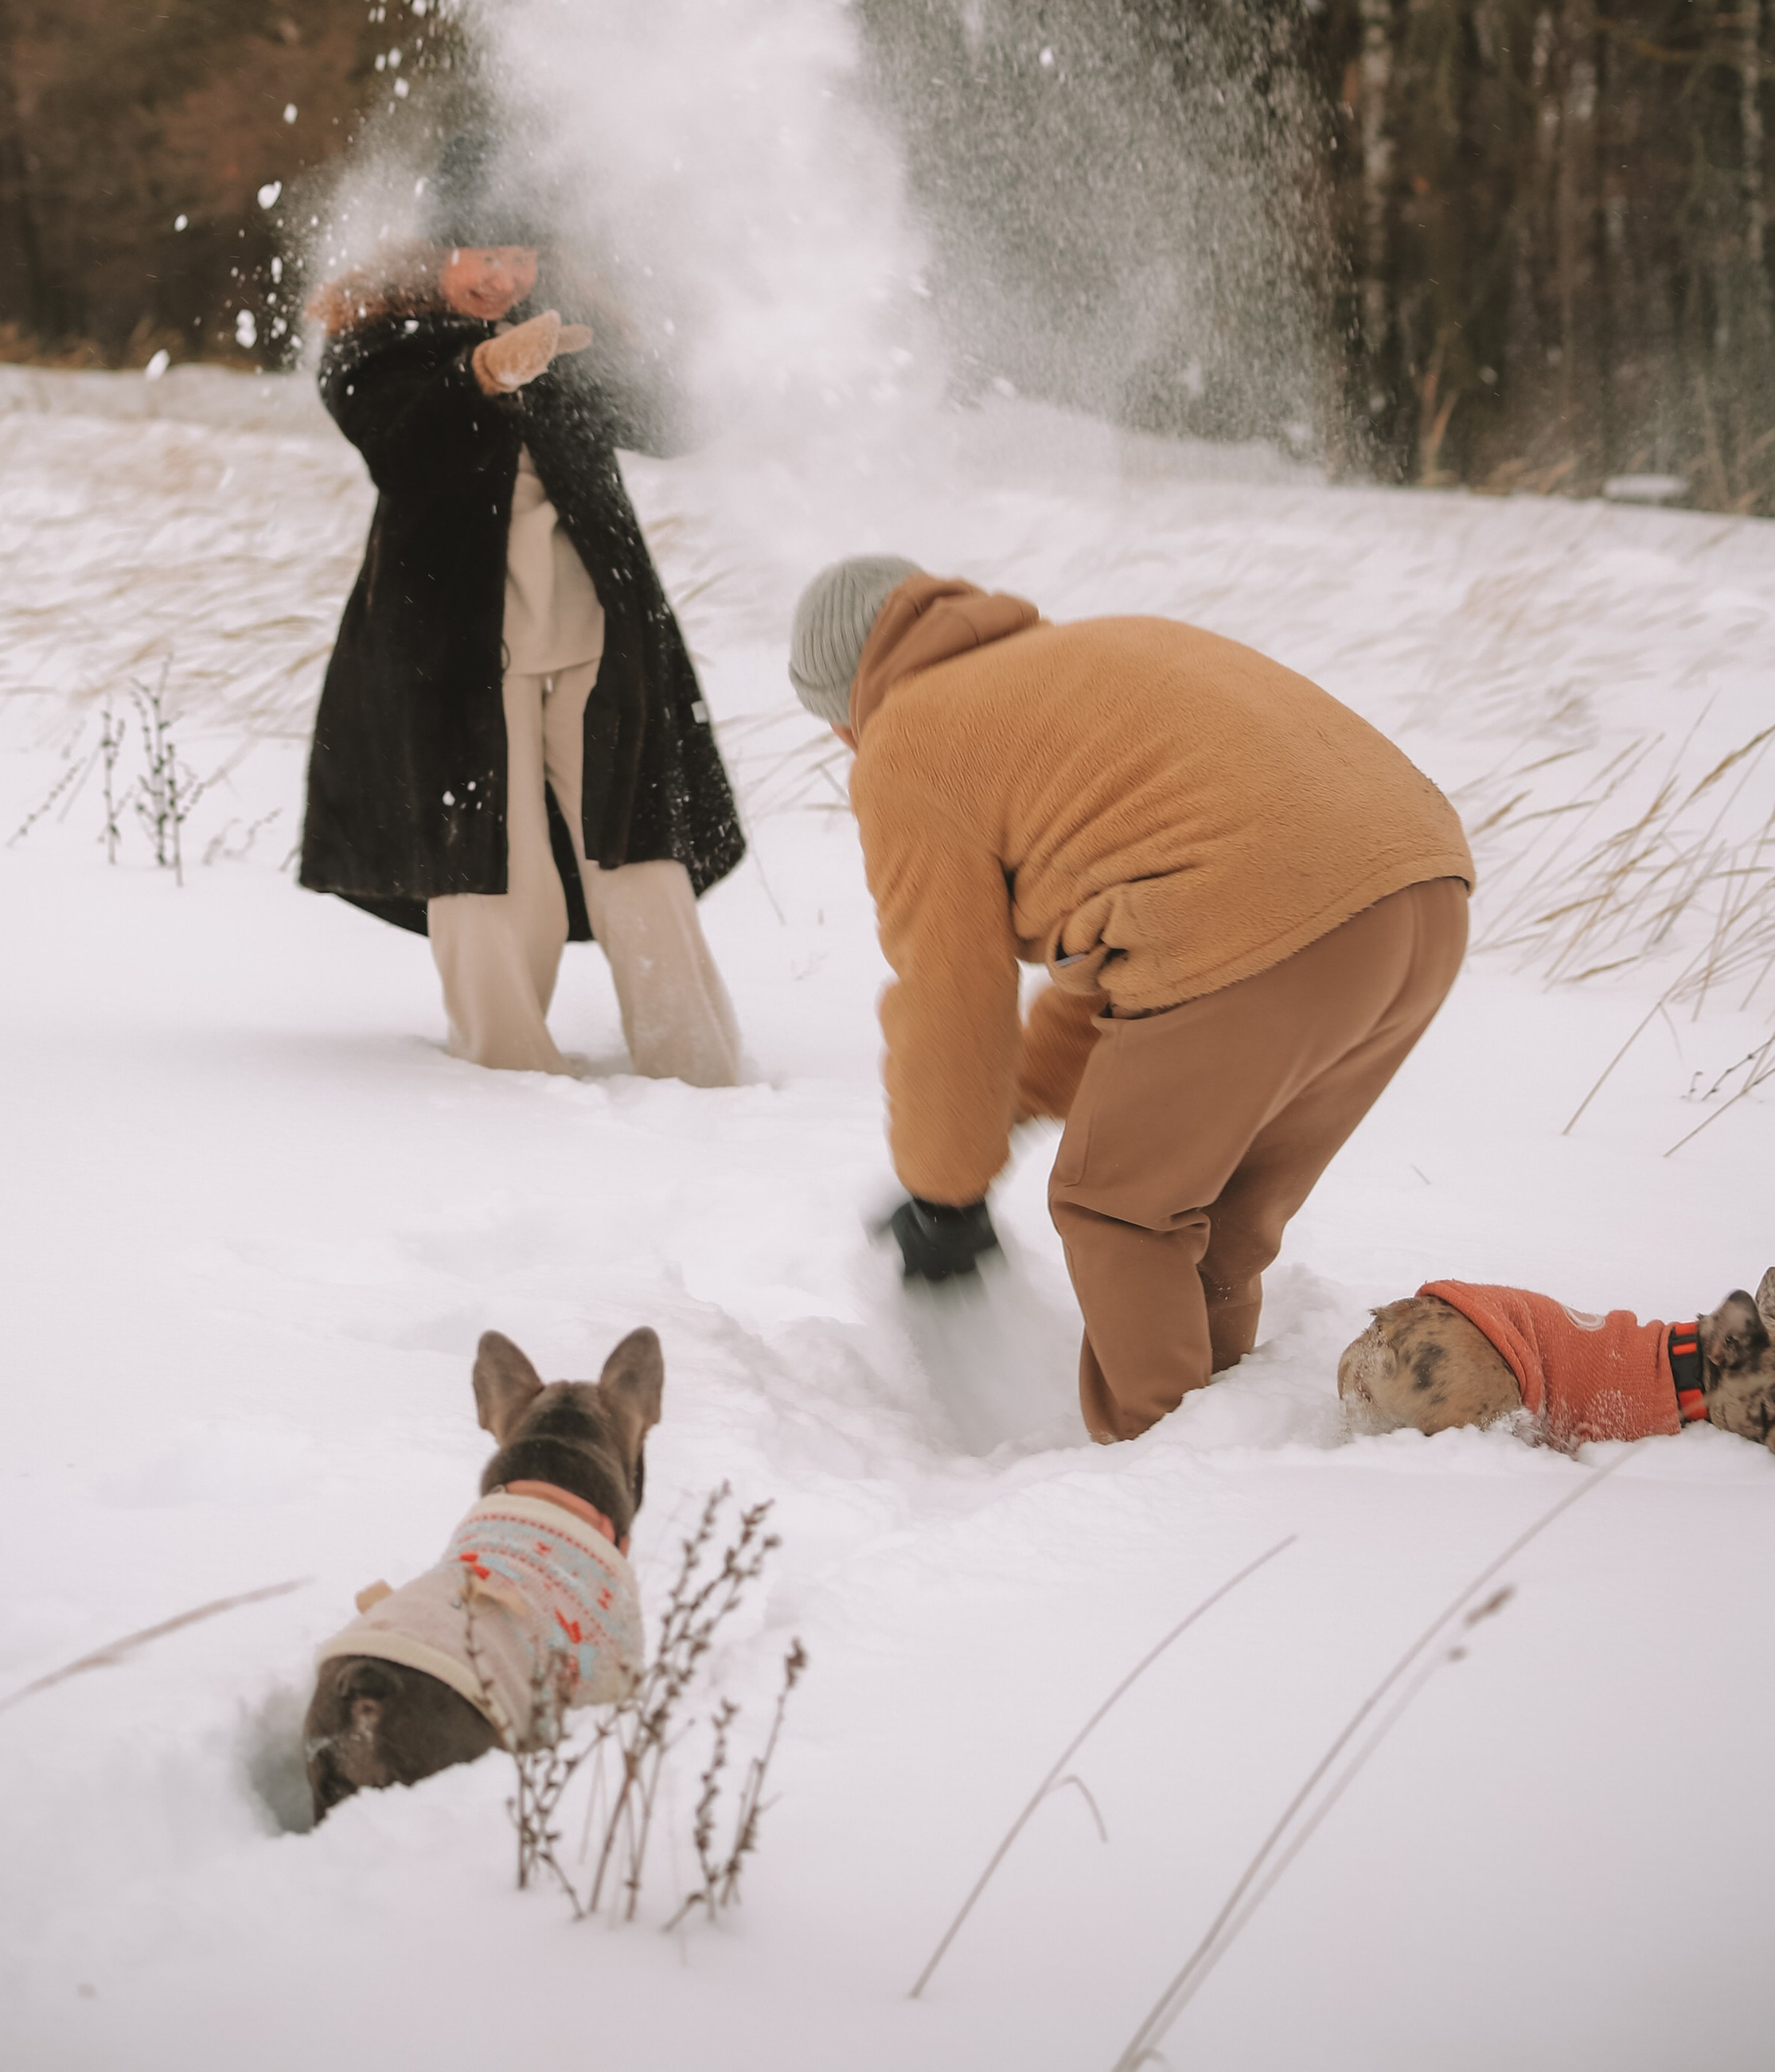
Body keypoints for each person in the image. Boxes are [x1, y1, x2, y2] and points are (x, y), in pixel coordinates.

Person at [787, 559, 1473, 1440]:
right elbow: (1133, 965)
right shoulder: (1075, 660)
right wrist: (1015, 1107)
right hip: (1417, 895)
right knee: (1218, 1215)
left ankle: (1165, 1486)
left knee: (1115, 1206)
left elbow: (950, 995)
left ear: (845, 714)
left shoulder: (910, 738)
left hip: (1260, 920)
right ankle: (1228, 1437)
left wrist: (944, 1190)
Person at [299, 144, 743, 1086]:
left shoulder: (569, 333)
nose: (502, 276)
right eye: (479, 256)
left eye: (520, 255)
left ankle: (696, 1061)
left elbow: (680, 424)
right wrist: (483, 375)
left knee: (636, 852)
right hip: (459, 652)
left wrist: (651, 338)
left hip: (596, 635)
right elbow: (395, 440)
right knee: (492, 861)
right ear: (432, 255)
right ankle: (505, 1067)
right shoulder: (377, 345)